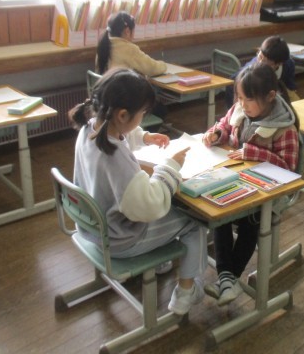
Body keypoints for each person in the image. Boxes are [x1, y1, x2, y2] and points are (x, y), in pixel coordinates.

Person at [69, 68, 207, 315]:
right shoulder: (115, 157)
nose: (143, 117)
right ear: (123, 114)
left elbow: (119, 134)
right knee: (194, 222)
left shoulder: (89, 130)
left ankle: (161, 260)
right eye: (142, 113)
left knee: (169, 209)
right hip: (121, 239)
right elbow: (149, 207)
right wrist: (170, 167)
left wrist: (144, 137)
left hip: (95, 229)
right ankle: (186, 293)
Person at [202, 62, 300, 305]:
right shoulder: (240, 110)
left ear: (270, 96)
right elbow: (224, 126)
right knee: (219, 213)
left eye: (249, 99)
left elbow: (288, 168)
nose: (242, 105)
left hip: (266, 194)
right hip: (237, 181)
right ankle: (228, 280)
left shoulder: (284, 128)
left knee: (250, 222)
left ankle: (227, 277)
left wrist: (255, 153)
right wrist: (216, 134)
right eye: (239, 98)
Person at [225, 36, 298, 108]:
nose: (260, 62)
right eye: (260, 56)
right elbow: (232, 83)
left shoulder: (288, 65)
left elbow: (290, 87)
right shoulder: (251, 71)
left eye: (265, 61)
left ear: (279, 64)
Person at [95, 11, 166, 77]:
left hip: (107, 86)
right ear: (127, 31)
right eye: (133, 31)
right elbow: (152, 69)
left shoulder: (103, 46)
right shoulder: (128, 49)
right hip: (121, 86)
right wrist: (164, 65)